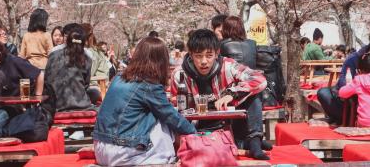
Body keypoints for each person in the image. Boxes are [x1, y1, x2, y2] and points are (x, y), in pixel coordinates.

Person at [94, 37, 196, 166]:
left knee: (153, 112)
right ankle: (169, 156)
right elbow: (171, 116)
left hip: (101, 148)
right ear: (161, 60)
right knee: (160, 118)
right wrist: (194, 133)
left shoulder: (118, 77)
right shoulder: (148, 84)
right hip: (124, 152)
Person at [171, 29, 270, 159]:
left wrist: (232, 94)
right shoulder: (179, 74)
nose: (204, 61)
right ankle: (243, 143)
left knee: (253, 94)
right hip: (195, 128)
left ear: (217, 53)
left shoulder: (227, 65)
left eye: (209, 55)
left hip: (227, 124)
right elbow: (174, 105)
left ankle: (254, 142)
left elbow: (260, 80)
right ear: (190, 54)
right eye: (198, 56)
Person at [317, 37, 370, 125]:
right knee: (324, 93)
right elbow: (342, 87)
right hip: (350, 101)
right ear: (367, 52)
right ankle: (344, 117)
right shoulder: (353, 60)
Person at [42, 24, 93, 118]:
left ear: (67, 38)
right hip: (81, 104)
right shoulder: (87, 57)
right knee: (95, 93)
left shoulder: (54, 53)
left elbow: (47, 80)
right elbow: (86, 84)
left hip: (56, 105)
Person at [81, 23, 110, 105]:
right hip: (97, 87)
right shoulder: (97, 52)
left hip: (92, 87)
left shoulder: (92, 52)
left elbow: (88, 74)